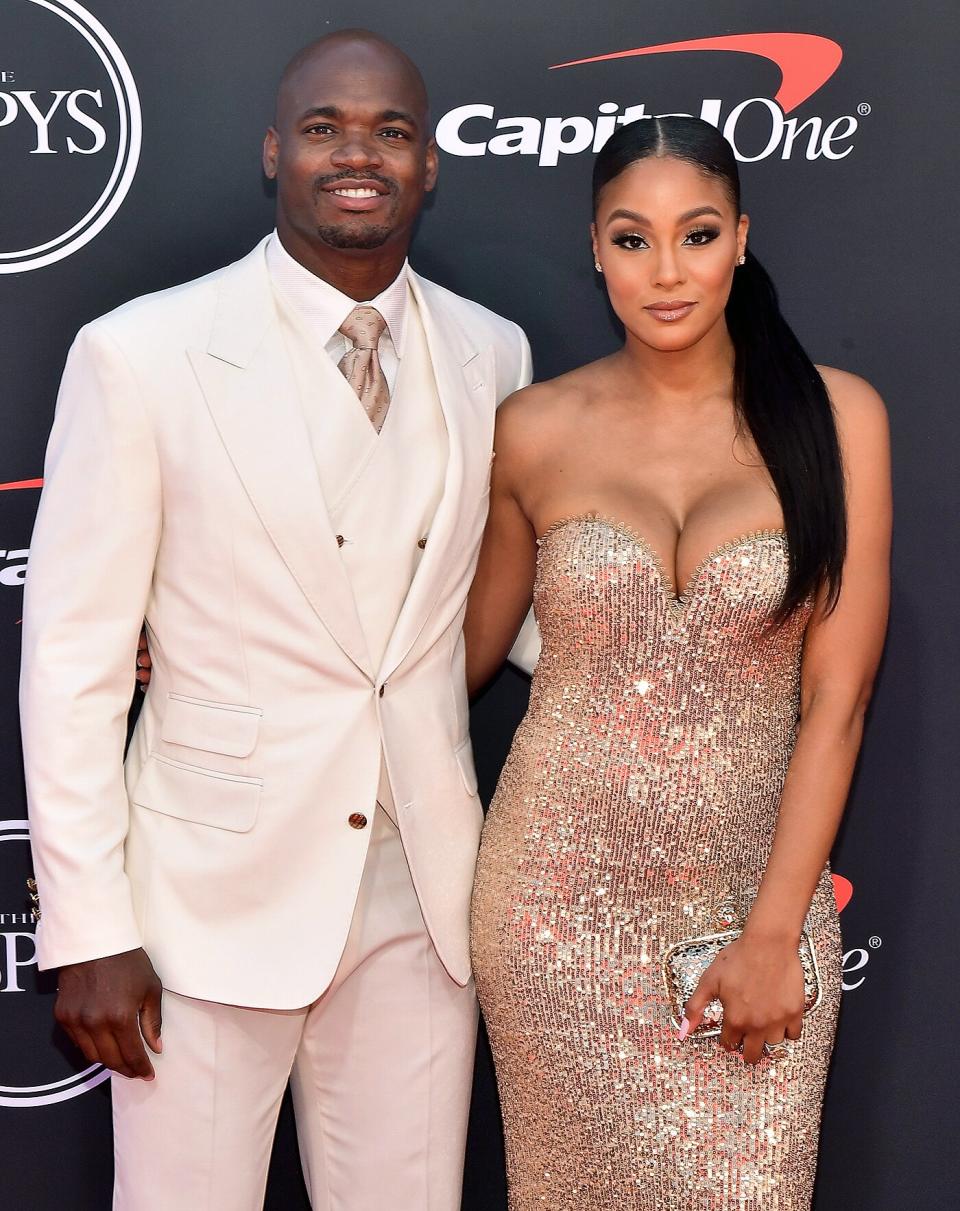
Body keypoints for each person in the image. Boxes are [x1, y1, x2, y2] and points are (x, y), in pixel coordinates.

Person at [20, 30, 530, 1211]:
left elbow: (516, 604)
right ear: (272, 153)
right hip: (202, 903)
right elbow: (71, 664)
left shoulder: (491, 352)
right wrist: (88, 923)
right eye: (324, 128)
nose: (359, 155)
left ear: (431, 163)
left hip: (421, 896)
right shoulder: (140, 355)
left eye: (391, 131)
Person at [466, 116, 890, 1209]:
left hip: (756, 902)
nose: (666, 271)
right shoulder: (534, 427)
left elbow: (837, 702)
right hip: (552, 913)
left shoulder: (837, 417)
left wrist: (773, 930)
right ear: (595, 250)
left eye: (695, 234)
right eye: (632, 238)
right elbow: (447, 655)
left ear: (741, 238)